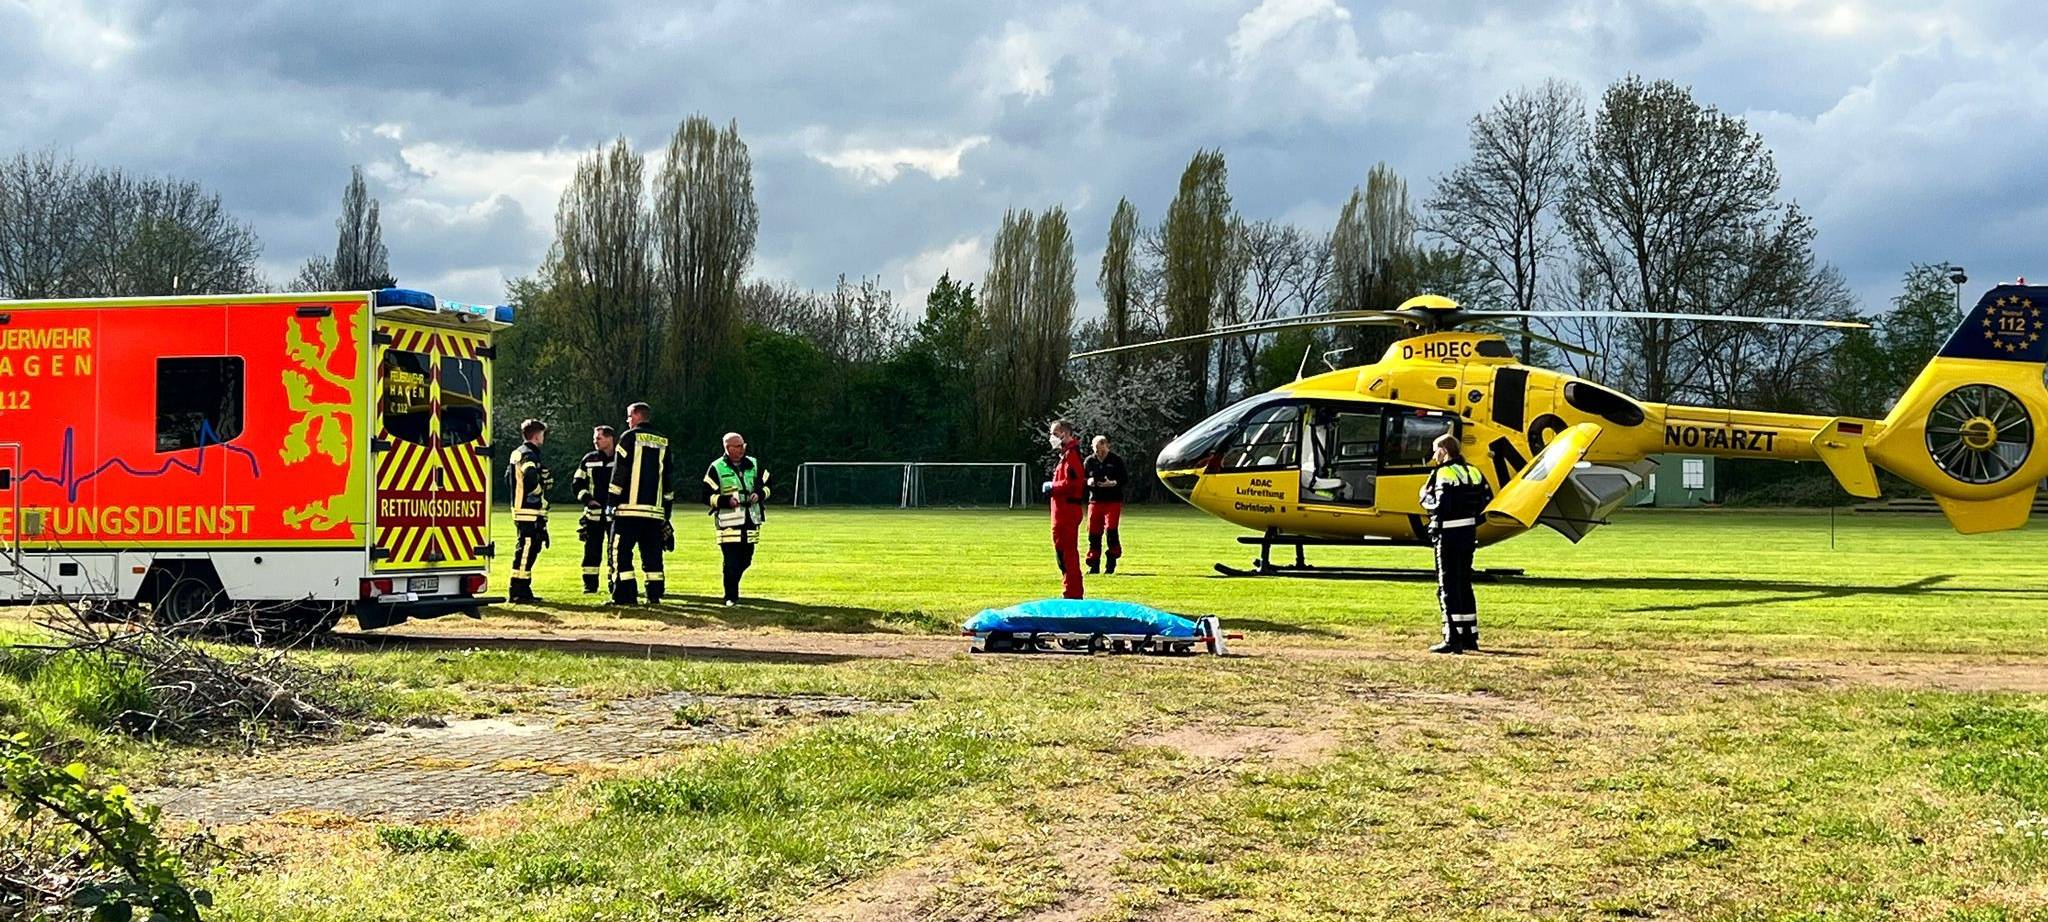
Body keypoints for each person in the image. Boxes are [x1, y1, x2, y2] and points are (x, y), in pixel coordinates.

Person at [1419, 433, 1492, 653]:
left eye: (1435, 450)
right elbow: (1486, 501)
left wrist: (1424, 498)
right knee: (1464, 583)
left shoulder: (1443, 473)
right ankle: (1469, 635)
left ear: (1444, 450)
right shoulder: (1474, 471)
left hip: (1448, 535)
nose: (1433, 455)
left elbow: (1441, 506)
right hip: (1468, 533)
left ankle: (1452, 638)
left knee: (1447, 585)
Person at [607, 402, 676, 605]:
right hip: (654, 512)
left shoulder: (628, 438)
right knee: (652, 554)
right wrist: (666, 512)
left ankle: (625, 595)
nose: (628, 420)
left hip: (628, 510)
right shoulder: (664, 441)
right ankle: (654, 595)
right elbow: (669, 478)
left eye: (629, 416)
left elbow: (619, 471)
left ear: (637, 415)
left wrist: (611, 501)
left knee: (620, 551)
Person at [701, 432, 772, 606]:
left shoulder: (754, 464)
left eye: (743, 445)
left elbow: (769, 485)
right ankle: (731, 597)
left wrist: (760, 494)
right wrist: (725, 501)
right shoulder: (716, 467)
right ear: (728, 447)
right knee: (731, 561)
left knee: (746, 560)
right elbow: (706, 495)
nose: (742, 449)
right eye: (738, 446)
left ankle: (732, 587)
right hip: (728, 523)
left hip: (751, 520)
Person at [506, 418, 552, 603]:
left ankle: (523, 590)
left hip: (521, 508)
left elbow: (508, 478)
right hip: (529, 510)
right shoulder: (529, 454)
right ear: (536, 435)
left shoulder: (518, 453)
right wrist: (540, 491)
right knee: (526, 550)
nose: (543, 438)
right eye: (542, 434)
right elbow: (530, 476)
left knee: (528, 549)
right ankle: (518, 591)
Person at [571, 425, 618, 594]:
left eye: (598, 438)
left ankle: (615, 583)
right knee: (591, 550)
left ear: (610, 438)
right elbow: (577, 483)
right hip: (593, 515)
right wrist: (587, 499)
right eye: (594, 438)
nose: (595, 442)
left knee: (615, 550)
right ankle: (589, 585)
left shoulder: (621, 458)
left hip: (615, 514)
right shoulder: (589, 459)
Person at [1044, 419, 1087, 599]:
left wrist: (1054, 487)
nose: (1052, 438)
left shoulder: (1072, 456)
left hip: (1067, 510)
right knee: (1062, 553)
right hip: (1062, 510)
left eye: (1055, 433)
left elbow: (1075, 483)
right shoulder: (1066, 455)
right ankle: (1069, 590)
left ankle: (1072, 593)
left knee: (1067, 553)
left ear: (1065, 434)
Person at [1084, 435, 1127, 574]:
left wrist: (1112, 483)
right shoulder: (1089, 461)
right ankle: (1094, 564)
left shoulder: (1116, 461)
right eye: (1096, 450)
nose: (1099, 453)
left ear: (1107, 446)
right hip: (1095, 500)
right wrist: (1088, 482)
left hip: (1113, 500)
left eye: (1102, 450)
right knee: (1093, 533)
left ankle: (1111, 561)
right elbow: (1082, 478)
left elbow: (1124, 479)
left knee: (1111, 530)